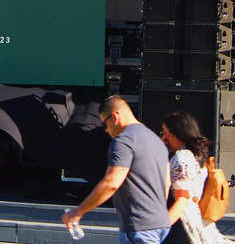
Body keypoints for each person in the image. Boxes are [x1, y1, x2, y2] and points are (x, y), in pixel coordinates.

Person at [62, 96, 171, 243]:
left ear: (114, 117)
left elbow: (112, 182)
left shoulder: (124, 141)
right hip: (161, 224)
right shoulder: (155, 140)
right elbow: (167, 183)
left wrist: (78, 212)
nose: (106, 130)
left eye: (105, 124)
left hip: (139, 228)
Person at [160, 111, 235, 244]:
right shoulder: (197, 156)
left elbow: (182, 199)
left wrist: (161, 227)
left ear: (176, 132)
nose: (164, 138)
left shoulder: (181, 158)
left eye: (165, 132)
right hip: (195, 217)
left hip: (181, 223)